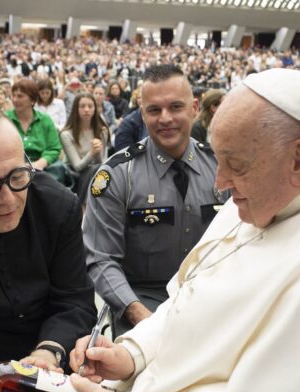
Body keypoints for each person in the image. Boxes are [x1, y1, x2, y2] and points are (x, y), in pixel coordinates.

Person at [5, 63, 300, 392]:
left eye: (236, 166)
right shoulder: (255, 194)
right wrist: (132, 352)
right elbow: (185, 297)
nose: (220, 182)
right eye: (152, 110)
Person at [0, 106, 97, 392]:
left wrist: (47, 353)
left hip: (44, 364)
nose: (8, 199)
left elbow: (74, 300)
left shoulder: (58, 206)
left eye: (18, 176)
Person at [84, 64, 224, 337]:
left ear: (194, 108)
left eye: (175, 107)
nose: (165, 118)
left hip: (212, 299)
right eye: (154, 110)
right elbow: (101, 259)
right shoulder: (116, 176)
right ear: (141, 112)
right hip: (142, 302)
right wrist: (141, 315)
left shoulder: (221, 167)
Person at [60, 93, 110, 206]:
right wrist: (92, 153)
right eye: (82, 106)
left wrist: (97, 152)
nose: (86, 110)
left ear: (95, 109)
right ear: (75, 109)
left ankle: (87, 207)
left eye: (90, 106)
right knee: (95, 170)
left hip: (97, 174)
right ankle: (86, 207)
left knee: (98, 169)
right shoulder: (66, 134)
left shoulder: (103, 131)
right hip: (73, 175)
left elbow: (102, 163)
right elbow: (77, 166)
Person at [5, 78, 62, 171]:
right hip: (12, 170)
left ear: (32, 99)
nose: (15, 100)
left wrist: (41, 163)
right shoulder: (4, 120)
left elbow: (54, 148)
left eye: (20, 96)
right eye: (13, 95)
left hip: (41, 169)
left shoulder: (45, 120)